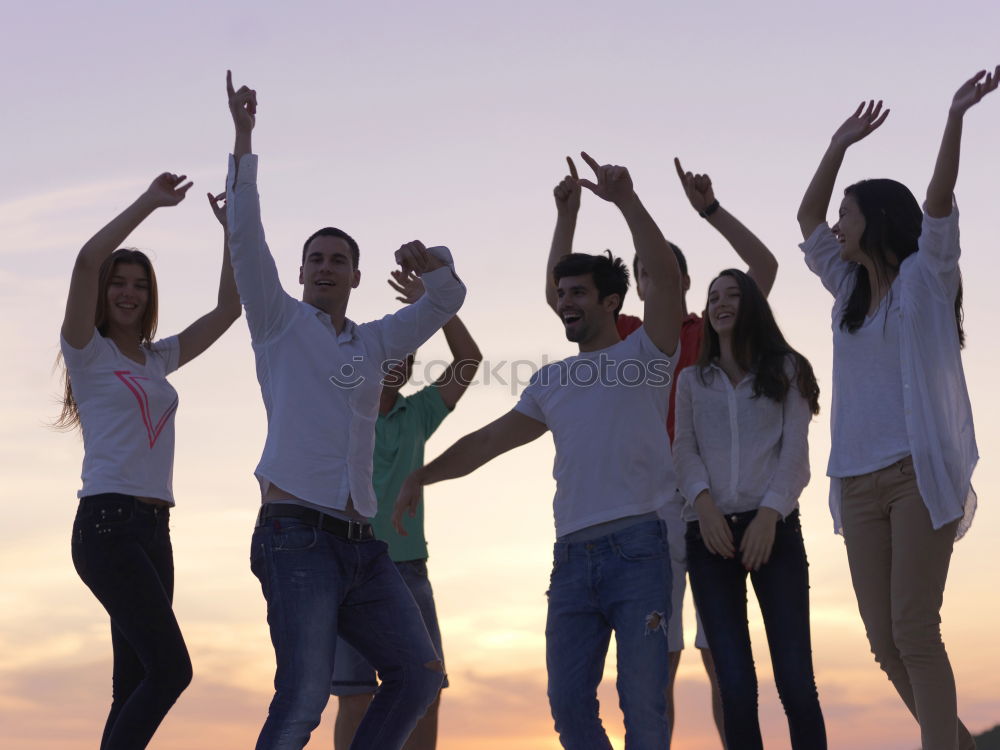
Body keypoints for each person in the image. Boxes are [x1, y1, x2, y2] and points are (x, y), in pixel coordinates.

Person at [395, 152, 682, 750]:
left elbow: (667, 278)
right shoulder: (551, 382)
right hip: (573, 558)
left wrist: (626, 200)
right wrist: (418, 477)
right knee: (568, 706)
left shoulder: (647, 355)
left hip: (640, 549)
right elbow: (486, 441)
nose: (566, 301)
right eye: (561, 293)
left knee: (644, 709)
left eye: (580, 292)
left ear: (611, 302)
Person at [224, 71, 466, 750]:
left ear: (357, 276)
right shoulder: (277, 322)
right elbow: (245, 238)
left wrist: (435, 261)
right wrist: (244, 139)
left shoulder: (378, 341)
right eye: (315, 260)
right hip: (294, 534)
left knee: (418, 677)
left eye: (338, 261)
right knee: (303, 697)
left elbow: (447, 301)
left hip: (364, 547)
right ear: (301, 273)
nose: (325, 267)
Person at [545, 155, 779, 745]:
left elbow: (764, 266)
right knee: (656, 662)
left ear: (680, 286)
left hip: (715, 506)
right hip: (650, 516)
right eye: (643, 278)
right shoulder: (621, 336)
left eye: (663, 276)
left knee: (721, 658)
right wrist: (567, 216)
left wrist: (710, 211)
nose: (652, 285)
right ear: (632, 289)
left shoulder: (709, 334)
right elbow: (562, 294)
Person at [795, 67, 996, 750]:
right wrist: (836, 145)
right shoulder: (846, 286)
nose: (836, 223)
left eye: (848, 212)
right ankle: (961, 744)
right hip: (854, 481)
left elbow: (938, 202)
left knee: (914, 628)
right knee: (884, 643)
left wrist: (956, 117)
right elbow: (805, 220)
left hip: (915, 475)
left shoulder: (925, 276)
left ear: (875, 220)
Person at [59, 175, 241, 749]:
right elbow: (87, 260)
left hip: (155, 531)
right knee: (172, 671)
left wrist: (232, 231)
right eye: (119, 283)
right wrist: (150, 204)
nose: (128, 293)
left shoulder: (158, 359)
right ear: (104, 291)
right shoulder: (86, 349)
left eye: (139, 284)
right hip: (106, 526)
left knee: (134, 680)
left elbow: (229, 309)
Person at [673, 268, 826, 750]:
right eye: (713, 296)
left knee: (797, 683)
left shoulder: (787, 370)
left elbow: (795, 454)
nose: (719, 303)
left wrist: (769, 515)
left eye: (732, 295)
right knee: (736, 688)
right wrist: (705, 506)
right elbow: (684, 451)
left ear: (752, 304)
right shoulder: (692, 382)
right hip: (708, 537)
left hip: (774, 533)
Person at [332, 270, 482, 750]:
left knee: (427, 689)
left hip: (408, 569)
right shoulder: (339, 409)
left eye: (407, 353)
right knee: (355, 695)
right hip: (348, 565)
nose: (398, 360)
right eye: (390, 352)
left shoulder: (418, 413)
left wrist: (438, 303)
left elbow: (469, 360)